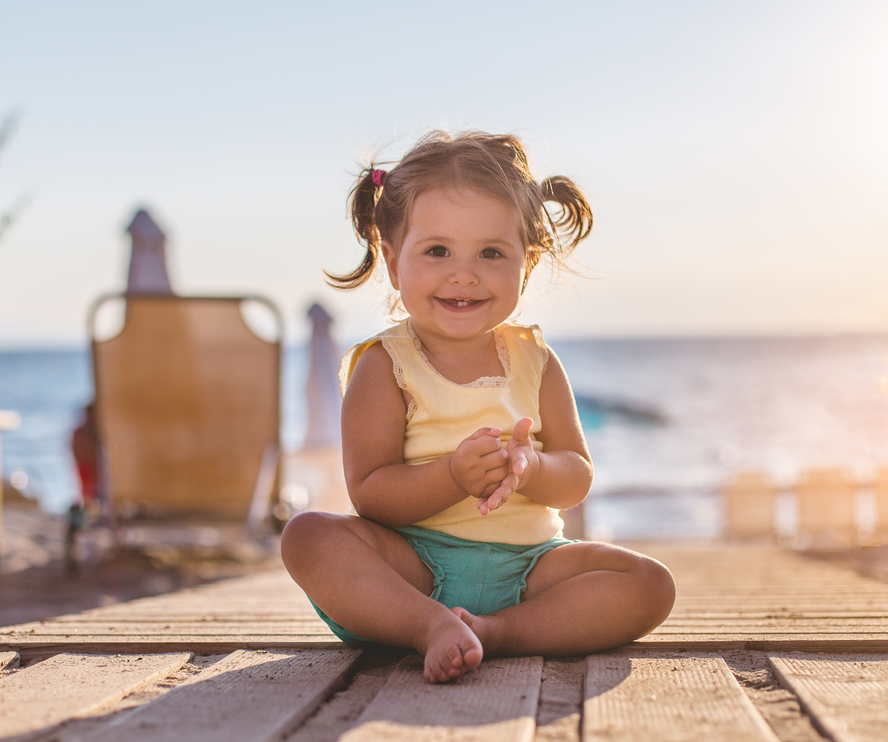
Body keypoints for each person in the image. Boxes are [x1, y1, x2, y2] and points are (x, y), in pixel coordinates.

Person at [281, 131, 675, 683]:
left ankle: (498, 630)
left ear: (527, 265)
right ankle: (427, 625)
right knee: (308, 537)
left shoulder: (535, 359)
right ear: (394, 263)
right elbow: (370, 494)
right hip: (415, 568)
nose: (463, 274)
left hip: (531, 565)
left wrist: (533, 468)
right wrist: (452, 475)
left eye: (491, 253)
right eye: (437, 251)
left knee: (650, 584)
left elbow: (576, 475)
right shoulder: (384, 365)